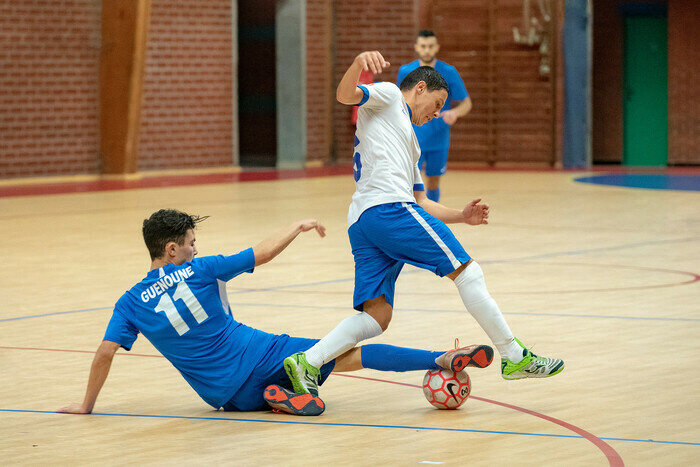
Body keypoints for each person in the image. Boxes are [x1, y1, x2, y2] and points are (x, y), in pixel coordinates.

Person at [282, 51, 564, 399]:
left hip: (364, 220)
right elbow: (344, 96)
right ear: (419, 88)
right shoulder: (388, 97)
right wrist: (357, 64)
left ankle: (307, 361)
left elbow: (423, 202)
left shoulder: (410, 144)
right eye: (438, 102)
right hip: (388, 210)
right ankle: (513, 355)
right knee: (467, 272)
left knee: (377, 317)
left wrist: (461, 216)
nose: (437, 112)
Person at [57, 209, 494, 417]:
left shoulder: (130, 302)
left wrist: (87, 405)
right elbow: (261, 253)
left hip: (225, 397)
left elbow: (104, 353)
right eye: (190, 242)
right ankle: (436, 359)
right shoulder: (199, 269)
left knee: (296, 373)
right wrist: (297, 226)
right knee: (346, 352)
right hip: (263, 353)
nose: (195, 248)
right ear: (171, 250)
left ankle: (276, 401)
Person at [395, 30, 472, 203]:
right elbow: (398, 100)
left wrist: (454, 112)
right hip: (412, 137)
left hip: (439, 137)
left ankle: (433, 217)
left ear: (437, 47)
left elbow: (466, 103)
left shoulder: (449, 71)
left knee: (433, 181)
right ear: (417, 47)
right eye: (423, 46)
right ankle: (411, 216)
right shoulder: (406, 71)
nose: (427, 50)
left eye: (430, 46)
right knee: (409, 182)